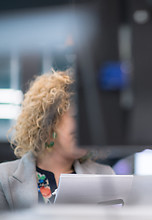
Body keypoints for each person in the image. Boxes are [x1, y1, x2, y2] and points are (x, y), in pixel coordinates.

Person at [0, 70, 114, 211]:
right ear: (49, 121)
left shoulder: (105, 176)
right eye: (77, 117)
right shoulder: (3, 178)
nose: (86, 127)